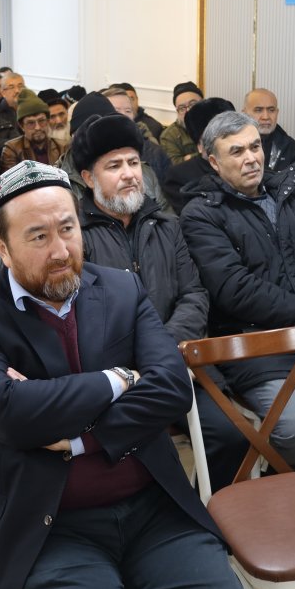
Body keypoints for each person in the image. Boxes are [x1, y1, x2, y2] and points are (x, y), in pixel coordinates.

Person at [0, 160, 260, 589]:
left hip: (153, 512)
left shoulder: (121, 288)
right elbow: (7, 412)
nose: (60, 250)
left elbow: (172, 388)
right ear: (2, 249)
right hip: (44, 527)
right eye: (38, 236)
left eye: (68, 228)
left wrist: (80, 437)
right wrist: (119, 379)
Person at [74, 113, 247, 490]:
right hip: (112, 377)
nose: (129, 174)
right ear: (88, 178)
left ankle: (205, 514)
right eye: (114, 166)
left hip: (174, 364)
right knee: (127, 452)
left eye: (134, 163)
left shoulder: (167, 226)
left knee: (231, 435)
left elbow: (194, 295)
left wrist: (161, 349)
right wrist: (137, 361)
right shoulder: (75, 236)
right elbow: (81, 315)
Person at [180, 111, 295, 475]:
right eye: (237, 151)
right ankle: (283, 486)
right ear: (214, 162)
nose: (251, 158)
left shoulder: (290, 193)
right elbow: (235, 289)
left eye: (255, 146)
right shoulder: (202, 213)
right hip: (256, 346)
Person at [58, 92, 172, 213]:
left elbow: (166, 216)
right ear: (74, 137)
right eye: (89, 133)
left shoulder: (145, 173)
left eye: (106, 130)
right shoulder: (58, 182)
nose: (99, 138)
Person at [160, 97, 232, 215]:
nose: (224, 142)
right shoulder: (178, 177)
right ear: (199, 145)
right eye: (214, 137)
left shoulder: (244, 163)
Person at [1, 94, 67, 172]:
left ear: (48, 121)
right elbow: (14, 178)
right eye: (31, 123)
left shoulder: (63, 146)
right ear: (22, 126)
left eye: (41, 121)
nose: (37, 127)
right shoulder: (12, 149)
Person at [243, 87, 295, 173]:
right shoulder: (232, 144)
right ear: (244, 113)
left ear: (277, 113)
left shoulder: (291, 148)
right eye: (258, 110)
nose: (266, 117)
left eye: (271, 110)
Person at [160, 81, 202, 164]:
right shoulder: (169, 136)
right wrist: (204, 153)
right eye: (182, 108)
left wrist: (189, 157)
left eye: (193, 104)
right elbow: (175, 165)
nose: (188, 111)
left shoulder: (215, 124)